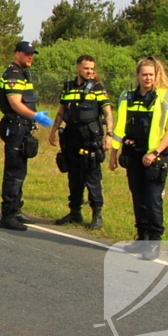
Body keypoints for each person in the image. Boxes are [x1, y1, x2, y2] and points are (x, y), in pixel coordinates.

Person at [109, 56, 168, 261]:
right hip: (133, 153)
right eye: (144, 74)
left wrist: (155, 152)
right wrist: (114, 153)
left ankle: (154, 243)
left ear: (156, 76)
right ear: (137, 76)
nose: (148, 78)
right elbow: (119, 127)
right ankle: (141, 238)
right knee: (138, 197)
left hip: (154, 156)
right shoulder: (127, 96)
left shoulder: (165, 97)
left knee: (152, 199)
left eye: (151, 74)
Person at [48, 55, 113, 230]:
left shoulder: (98, 88)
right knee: (74, 177)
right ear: (78, 68)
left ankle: (96, 215)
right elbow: (61, 111)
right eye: (86, 68)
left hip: (90, 139)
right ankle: (75, 212)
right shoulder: (68, 87)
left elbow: (107, 111)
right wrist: (54, 130)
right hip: (71, 137)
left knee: (92, 177)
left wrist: (109, 135)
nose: (89, 72)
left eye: (92, 68)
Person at [0, 41, 53, 231]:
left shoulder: (23, 73)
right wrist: (34, 115)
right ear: (17, 53)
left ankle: (16, 209)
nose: (31, 57)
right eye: (27, 54)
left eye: (32, 54)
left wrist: (32, 121)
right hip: (15, 127)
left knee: (20, 171)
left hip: (22, 127)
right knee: (13, 173)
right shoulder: (13, 73)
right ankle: (8, 215)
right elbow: (15, 103)